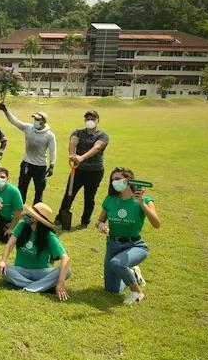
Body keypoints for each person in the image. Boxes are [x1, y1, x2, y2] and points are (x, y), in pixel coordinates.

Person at [95, 167, 161, 305]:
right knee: (111, 289)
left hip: (135, 245)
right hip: (113, 245)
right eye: (112, 180)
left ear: (129, 180)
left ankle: (137, 292)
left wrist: (142, 203)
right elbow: (99, 220)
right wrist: (100, 225)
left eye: (118, 179)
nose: (114, 182)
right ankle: (133, 273)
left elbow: (156, 224)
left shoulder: (145, 200)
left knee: (117, 263)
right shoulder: (110, 199)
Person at [0, 203, 71, 300]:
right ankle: (40, 286)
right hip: (20, 270)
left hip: (41, 273)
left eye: (30, 214)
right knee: (2, 269)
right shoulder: (22, 226)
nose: (26, 215)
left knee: (68, 271)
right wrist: (3, 261)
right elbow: (9, 245)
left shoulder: (49, 236)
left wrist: (60, 283)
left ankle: (30, 287)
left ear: (36, 219)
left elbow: (65, 258)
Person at [58, 109, 110, 229]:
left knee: (89, 197)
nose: (90, 121)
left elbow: (97, 148)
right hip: (78, 170)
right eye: (87, 119)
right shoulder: (78, 132)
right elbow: (73, 142)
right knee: (69, 195)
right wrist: (72, 155)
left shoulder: (102, 135)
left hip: (95, 172)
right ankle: (60, 218)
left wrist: (81, 158)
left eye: (92, 119)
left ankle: (85, 221)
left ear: (98, 120)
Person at [0, 102, 56, 205]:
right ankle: (19, 209)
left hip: (40, 166)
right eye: (35, 119)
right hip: (27, 164)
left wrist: (52, 165)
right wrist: (5, 111)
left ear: (43, 121)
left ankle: (37, 213)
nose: (35, 121)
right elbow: (15, 121)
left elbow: (52, 150)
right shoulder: (28, 128)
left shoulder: (49, 135)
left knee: (39, 190)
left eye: (38, 120)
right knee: (22, 188)